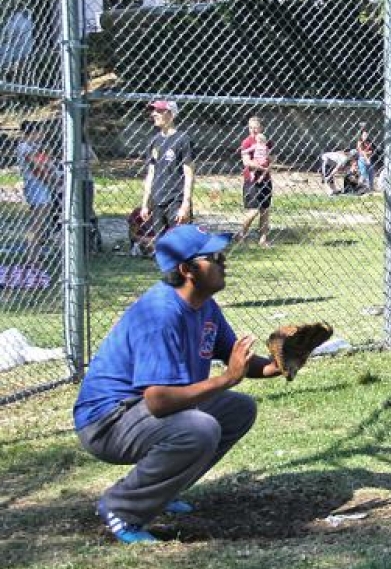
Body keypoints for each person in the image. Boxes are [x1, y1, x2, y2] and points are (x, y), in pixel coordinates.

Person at [72, 225, 283, 544]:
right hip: (107, 423)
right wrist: (227, 378)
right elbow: (159, 401)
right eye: (214, 256)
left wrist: (280, 364)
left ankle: (162, 490)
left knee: (238, 409)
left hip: (139, 414)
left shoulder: (205, 306)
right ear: (187, 269)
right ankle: (123, 508)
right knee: (199, 428)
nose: (224, 261)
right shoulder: (160, 314)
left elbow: (234, 359)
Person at [139, 100, 194, 240]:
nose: (154, 114)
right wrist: (145, 203)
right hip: (157, 200)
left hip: (176, 198)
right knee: (161, 245)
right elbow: (151, 173)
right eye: (154, 111)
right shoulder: (154, 141)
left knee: (180, 244)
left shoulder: (183, 139)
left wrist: (185, 204)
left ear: (171, 114)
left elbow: (189, 174)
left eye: (159, 111)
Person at [16, 120, 59, 264]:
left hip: (42, 185)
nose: (42, 135)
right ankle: (31, 257)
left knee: (42, 222)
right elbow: (37, 168)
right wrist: (51, 180)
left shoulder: (35, 147)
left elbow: (47, 163)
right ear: (33, 133)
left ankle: (36, 253)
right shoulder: (25, 147)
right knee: (37, 222)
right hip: (36, 186)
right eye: (40, 132)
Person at [236, 117, 272, 247]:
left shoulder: (266, 141)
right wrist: (261, 167)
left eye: (256, 127)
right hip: (252, 179)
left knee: (265, 210)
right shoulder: (247, 142)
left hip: (266, 179)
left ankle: (263, 239)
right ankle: (241, 234)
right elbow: (246, 161)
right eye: (251, 128)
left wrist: (268, 164)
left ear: (261, 128)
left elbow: (272, 156)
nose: (253, 130)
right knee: (253, 210)